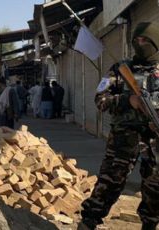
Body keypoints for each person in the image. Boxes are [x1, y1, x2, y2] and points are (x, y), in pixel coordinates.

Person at [78, 22, 159, 230]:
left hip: (154, 139)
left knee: (154, 187)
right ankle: (89, 221)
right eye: (137, 40)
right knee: (109, 182)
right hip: (123, 138)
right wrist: (126, 101)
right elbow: (99, 99)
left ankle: (150, 224)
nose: (140, 44)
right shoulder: (120, 69)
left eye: (145, 40)